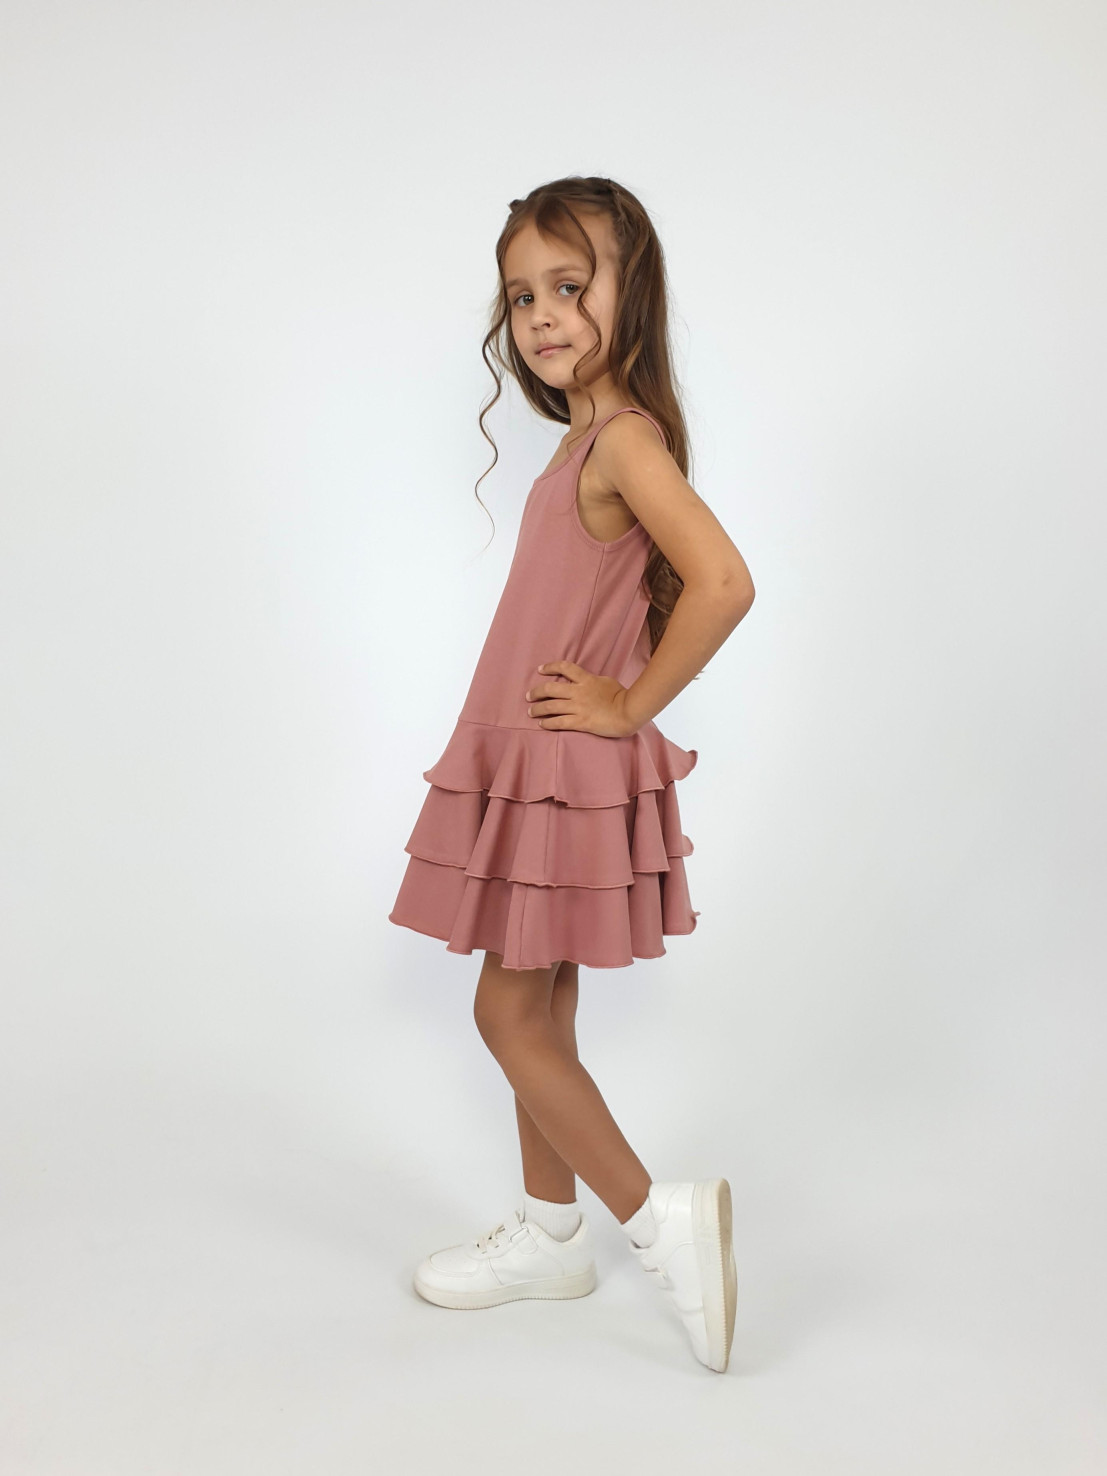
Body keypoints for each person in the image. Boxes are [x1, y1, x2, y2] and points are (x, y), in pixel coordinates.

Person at [388, 175, 756, 1373]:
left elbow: (725, 583)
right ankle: (552, 1234)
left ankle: (655, 1220)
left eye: (568, 284)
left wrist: (630, 705)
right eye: (521, 295)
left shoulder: (625, 441)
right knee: (539, 1005)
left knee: (503, 1010)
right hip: (539, 762)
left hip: (560, 761)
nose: (541, 314)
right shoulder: (582, 445)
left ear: (630, 291)